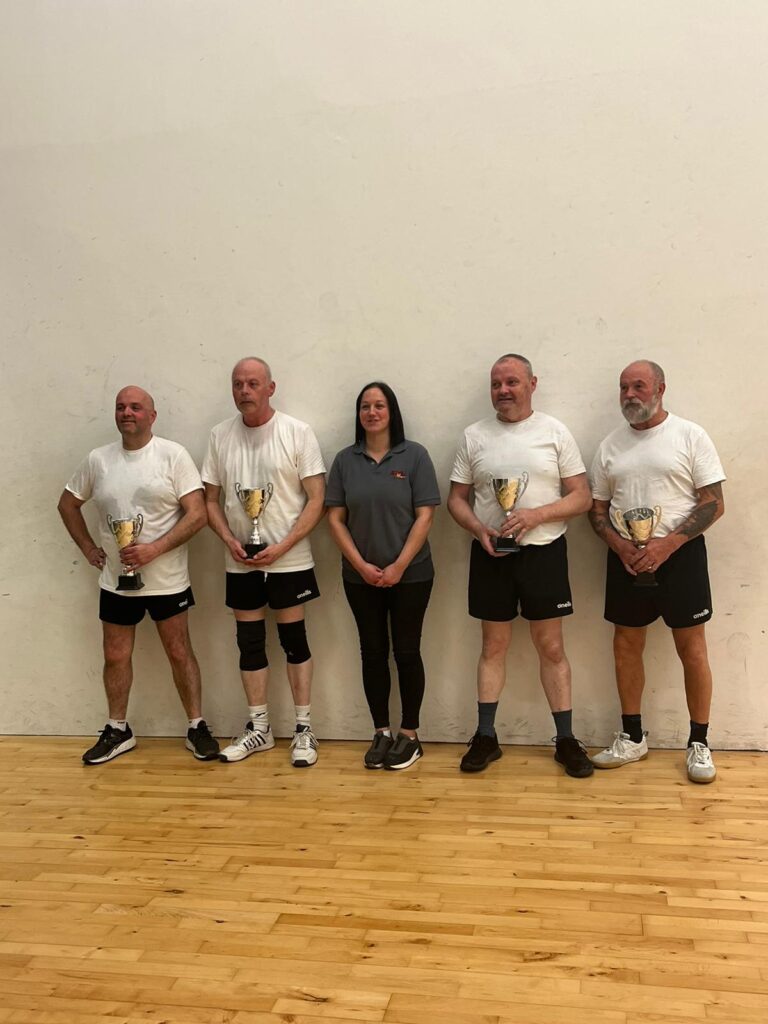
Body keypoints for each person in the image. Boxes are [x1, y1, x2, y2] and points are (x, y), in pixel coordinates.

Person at [447, 354, 594, 777]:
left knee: (552, 648)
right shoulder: (474, 436)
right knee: (492, 647)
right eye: (496, 384)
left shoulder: (554, 432)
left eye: (511, 382)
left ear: (532, 383)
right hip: (491, 554)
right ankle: (485, 737)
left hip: (544, 553)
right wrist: (478, 528)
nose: (503, 390)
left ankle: (565, 740)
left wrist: (536, 516)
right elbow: (456, 498)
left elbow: (582, 496)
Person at [58, 386, 218, 765]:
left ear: (152, 415)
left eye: (135, 407)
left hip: (168, 582)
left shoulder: (173, 455)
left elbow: (198, 514)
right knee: (115, 656)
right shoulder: (98, 460)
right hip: (116, 583)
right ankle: (118, 729)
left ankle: (196, 726)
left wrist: (154, 549)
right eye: (120, 407)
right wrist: (88, 548)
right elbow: (67, 504)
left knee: (179, 652)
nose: (127, 413)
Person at [588, 360, 725, 783]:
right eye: (624, 388)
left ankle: (699, 743)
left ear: (660, 389)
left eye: (639, 386)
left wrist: (669, 544)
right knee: (626, 645)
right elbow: (596, 510)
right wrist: (620, 546)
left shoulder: (689, 435)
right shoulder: (610, 446)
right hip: (626, 558)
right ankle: (632, 738)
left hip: (681, 556)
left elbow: (714, 502)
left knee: (693, 649)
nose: (630, 395)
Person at [202, 357, 326, 767]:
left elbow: (317, 499)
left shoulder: (297, 432)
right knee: (249, 643)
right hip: (241, 562)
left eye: (253, 383)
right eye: (238, 383)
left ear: (270, 388)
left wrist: (285, 545)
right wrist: (229, 540)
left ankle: (304, 729)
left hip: (290, 561)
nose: (244, 390)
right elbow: (209, 500)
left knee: (294, 642)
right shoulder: (220, 435)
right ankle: (260, 728)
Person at [326, 382, 441, 770]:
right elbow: (335, 519)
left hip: (412, 575)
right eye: (365, 406)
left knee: (406, 651)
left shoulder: (415, 456)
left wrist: (399, 566)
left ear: (392, 412)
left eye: (379, 405)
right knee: (372, 652)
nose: (371, 412)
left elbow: (425, 516)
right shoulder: (345, 460)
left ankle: (410, 735)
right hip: (360, 577)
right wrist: (361, 565)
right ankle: (381, 732)